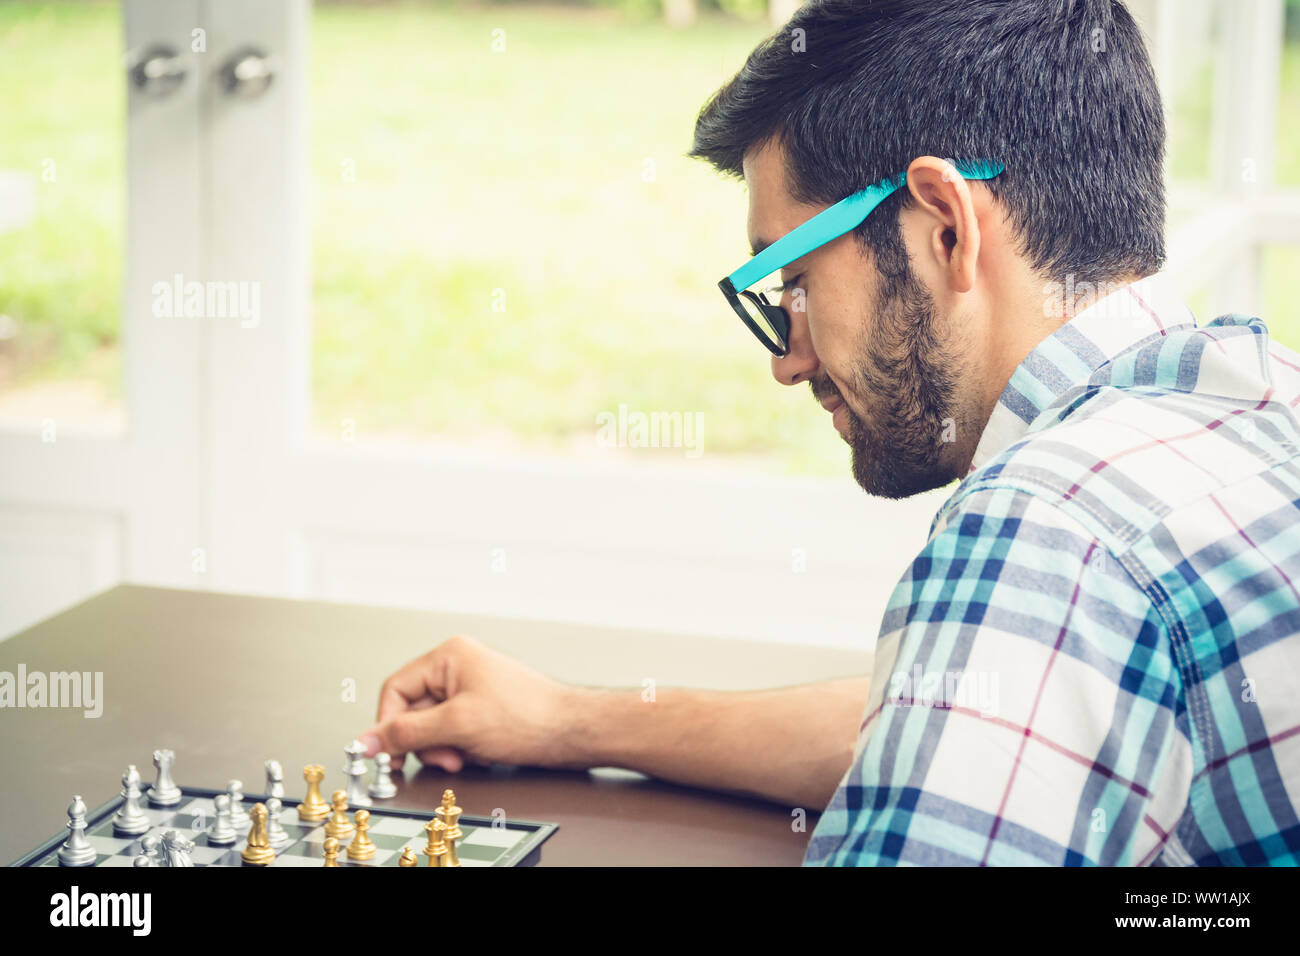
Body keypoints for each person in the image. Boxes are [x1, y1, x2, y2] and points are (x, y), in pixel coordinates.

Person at [360, 0, 1300, 865]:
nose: (787, 358)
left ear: (945, 226)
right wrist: (568, 722)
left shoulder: (1049, 538)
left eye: (796, 283)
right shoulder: (1256, 401)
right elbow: (969, 719)